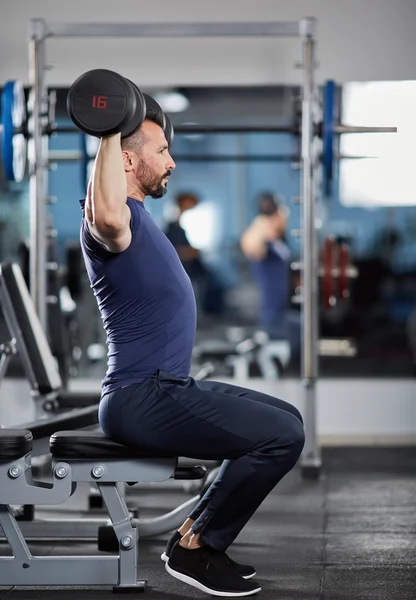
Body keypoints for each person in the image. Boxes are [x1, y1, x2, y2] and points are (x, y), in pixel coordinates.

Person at [79, 116, 305, 597]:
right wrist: (106, 129)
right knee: (281, 436)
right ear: (126, 159)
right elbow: (106, 215)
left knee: (285, 417)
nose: (172, 162)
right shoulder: (111, 223)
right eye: (161, 151)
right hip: (142, 395)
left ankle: (193, 536)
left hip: (166, 386)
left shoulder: (141, 217)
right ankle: (197, 549)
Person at [240, 193, 301, 356]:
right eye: (281, 213)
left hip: (285, 309)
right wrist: (263, 221)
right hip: (272, 316)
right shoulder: (260, 240)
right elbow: (249, 245)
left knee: (307, 325)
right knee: (303, 329)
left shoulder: (280, 243)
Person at [164, 192, 225, 315]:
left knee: (215, 282)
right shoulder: (172, 228)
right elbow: (172, 252)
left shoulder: (181, 228)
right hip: (183, 268)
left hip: (193, 266)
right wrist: (189, 252)